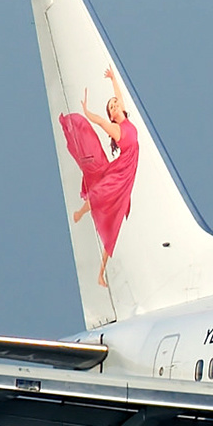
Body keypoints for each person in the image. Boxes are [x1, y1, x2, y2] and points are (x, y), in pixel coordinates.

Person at [59, 66, 140, 287]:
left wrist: (113, 78)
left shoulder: (126, 122)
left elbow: (120, 95)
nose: (115, 105)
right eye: (112, 107)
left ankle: (100, 274)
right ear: (112, 115)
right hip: (120, 173)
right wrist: (87, 113)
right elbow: (101, 122)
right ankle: (80, 212)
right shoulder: (117, 130)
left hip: (128, 177)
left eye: (115, 103)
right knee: (99, 194)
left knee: (113, 227)